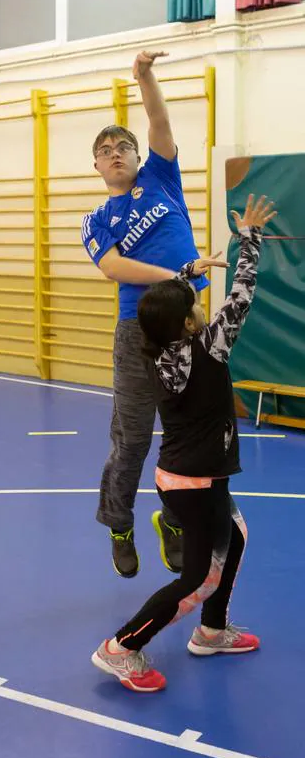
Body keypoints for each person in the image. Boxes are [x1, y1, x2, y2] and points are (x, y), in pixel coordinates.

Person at [90, 194, 276, 693]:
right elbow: (241, 296)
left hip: (188, 476)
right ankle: (121, 648)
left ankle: (212, 631)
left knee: (233, 539)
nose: (200, 300)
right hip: (195, 483)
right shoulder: (207, 350)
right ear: (190, 324)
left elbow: (175, 295)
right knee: (197, 579)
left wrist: (191, 267)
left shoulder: (161, 348)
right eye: (195, 301)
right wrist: (249, 239)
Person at [82, 51, 227, 578]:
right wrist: (182, 271)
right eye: (105, 150)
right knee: (133, 439)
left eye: (123, 146)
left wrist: (144, 76)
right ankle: (120, 524)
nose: (115, 152)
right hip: (137, 332)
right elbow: (114, 267)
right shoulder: (96, 218)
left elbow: (159, 120)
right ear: (96, 165)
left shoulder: (163, 180)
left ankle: (173, 519)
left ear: (139, 156)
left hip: (188, 325)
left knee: (185, 434)